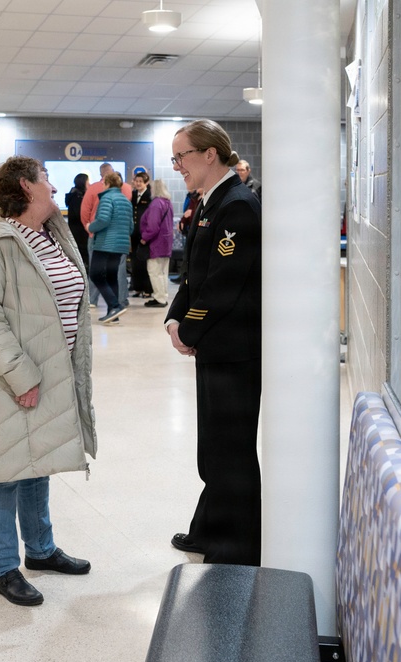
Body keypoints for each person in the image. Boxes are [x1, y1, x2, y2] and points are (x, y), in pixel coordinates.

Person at [0, 156, 96, 607]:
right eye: (46, 179)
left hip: (53, 369)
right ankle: (2, 567)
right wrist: (20, 374)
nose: (53, 187)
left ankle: (41, 550)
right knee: (6, 470)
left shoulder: (53, 235)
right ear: (26, 186)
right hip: (12, 376)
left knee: (40, 462)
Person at [165, 119, 263, 566]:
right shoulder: (210, 202)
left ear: (209, 154)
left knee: (231, 449)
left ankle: (236, 546)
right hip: (217, 346)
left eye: (181, 156)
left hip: (235, 349)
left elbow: (224, 282)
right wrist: (173, 317)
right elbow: (194, 274)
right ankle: (210, 529)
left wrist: (190, 329)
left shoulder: (237, 205)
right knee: (214, 449)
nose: (177, 165)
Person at [80, 163, 132, 310]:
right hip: (121, 244)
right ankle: (115, 308)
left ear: (106, 182)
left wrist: (90, 227)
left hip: (104, 242)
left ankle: (111, 304)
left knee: (96, 274)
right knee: (113, 275)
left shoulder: (106, 198)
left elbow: (102, 219)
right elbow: (131, 226)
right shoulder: (126, 198)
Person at [139, 179, 174, 308]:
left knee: (154, 271)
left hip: (156, 242)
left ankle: (159, 298)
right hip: (166, 241)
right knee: (163, 272)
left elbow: (153, 226)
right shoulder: (168, 203)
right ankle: (163, 296)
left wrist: (144, 237)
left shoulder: (156, 204)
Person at [129, 171, 153, 298]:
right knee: (135, 262)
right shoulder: (132, 195)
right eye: (136, 181)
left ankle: (147, 289)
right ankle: (137, 288)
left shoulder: (149, 196)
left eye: (140, 181)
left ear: (146, 183)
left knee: (144, 263)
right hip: (133, 234)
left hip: (144, 235)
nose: (137, 184)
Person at [64, 173, 90, 271]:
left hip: (77, 231)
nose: (89, 184)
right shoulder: (77, 197)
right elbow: (79, 214)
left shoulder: (74, 195)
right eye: (88, 181)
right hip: (80, 232)